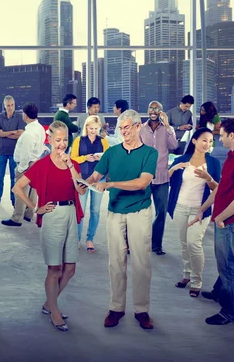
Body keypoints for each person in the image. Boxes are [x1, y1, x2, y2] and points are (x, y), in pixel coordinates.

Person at [85, 109, 158, 330]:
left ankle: (141, 310)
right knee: (115, 262)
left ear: (138, 127)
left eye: (127, 127)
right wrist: (82, 184)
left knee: (141, 263)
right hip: (115, 212)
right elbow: (95, 177)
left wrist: (111, 184)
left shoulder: (149, 153)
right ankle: (116, 308)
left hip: (139, 212)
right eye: (121, 128)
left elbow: (142, 183)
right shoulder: (111, 152)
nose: (124, 131)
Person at [12, 120, 86, 332]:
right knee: (54, 268)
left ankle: (49, 303)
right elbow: (17, 188)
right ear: (50, 140)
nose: (62, 144)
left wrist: (70, 164)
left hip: (71, 213)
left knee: (70, 268)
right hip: (53, 216)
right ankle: (54, 310)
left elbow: (81, 191)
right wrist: (36, 207)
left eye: (65, 140)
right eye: (58, 140)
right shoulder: (42, 165)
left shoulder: (73, 164)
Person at [190, 119, 234, 325]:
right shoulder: (232, 156)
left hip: (230, 222)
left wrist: (221, 217)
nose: (219, 138)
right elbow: (221, 188)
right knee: (224, 261)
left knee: (228, 265)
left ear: (232, 136)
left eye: (222, 134)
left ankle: (229, 312)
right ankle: (220, 292)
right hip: (222, 218)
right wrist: (203, 209)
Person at [167, 128, 221, 298]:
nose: (208, 144)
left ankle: (197, 281)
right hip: (180, 207)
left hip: (200, 210)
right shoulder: (181, 160)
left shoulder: (213, 163)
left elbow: (217, 189)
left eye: (211, 141)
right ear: (194, 141)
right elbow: (165, 180)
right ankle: (186, 275)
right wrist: (174, 168)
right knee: (184, 243)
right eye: (204, 140)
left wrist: (208, 178)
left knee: (194, 244)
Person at [139, 101, 178, 256]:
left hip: (162, 177)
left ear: (162, 112)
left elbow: (174, 146)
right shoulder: (141, 129)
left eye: (157, 108)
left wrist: (168, 126)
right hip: (144, 177)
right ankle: (135, 244)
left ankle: (156, 245)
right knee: (140, 211)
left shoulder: (167, 130)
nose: (153, 111)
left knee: (161, 212)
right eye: (151, 108)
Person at [2, 102, 46, 226]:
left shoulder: (28, 134)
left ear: (25, 115)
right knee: (32, 190)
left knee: (20, 190)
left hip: (27, 165)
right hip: (36, 162)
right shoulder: (40, 128)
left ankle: (17, 218)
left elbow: (26, 154)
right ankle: (28, 215)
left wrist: (20, 168)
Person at [71, 115, 109, 252]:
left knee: (95, 210)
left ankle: (90, 239)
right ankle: (76, 239)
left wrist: (101, 158)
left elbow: (108, 159)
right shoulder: (78, 141)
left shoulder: (104, 141)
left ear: (99, 128)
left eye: (95, 128)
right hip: (83, 179)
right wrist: (85, 158)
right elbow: (72, 159)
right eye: (90, 128)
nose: (93, 131)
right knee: (80, 210)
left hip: (99, 179)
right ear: (86, 127)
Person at [0, 95, 26, 207]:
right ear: (4, 106)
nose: (10, 107)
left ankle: (13, 199)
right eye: (8, 105)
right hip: (1, 152)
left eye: (12, 105)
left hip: (14, 152)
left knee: (14, 177)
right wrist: (12, 132)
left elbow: (20, 135)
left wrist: (5, 133)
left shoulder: (19, 117)